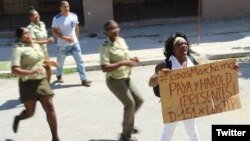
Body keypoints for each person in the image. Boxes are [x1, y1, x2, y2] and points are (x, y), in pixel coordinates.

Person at [148, 32, 200, 141]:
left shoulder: (192, 61)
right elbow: (151, 83)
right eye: (179, 44)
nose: (183, 46)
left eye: (185, 44)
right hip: (172, 105)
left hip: (189, 103)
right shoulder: (166, 64)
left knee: (192, 131)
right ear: (173, 49)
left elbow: (209, 74)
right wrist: (160, 75)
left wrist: (230, 69)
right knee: (168, 133)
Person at [11, 27, 60, 141]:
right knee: (30, 112)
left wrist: (49, 62)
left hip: (41, 80)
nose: (29, 34)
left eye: (30, 32)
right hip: (27, 83)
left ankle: (55, 137)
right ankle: (18, 118)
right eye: (26, 33)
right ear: (20, 37)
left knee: (50, 106)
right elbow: (14, 70)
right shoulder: (18, 50)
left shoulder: (35, 45)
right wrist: (32, 71)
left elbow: (40, 60)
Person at [99, 20, 144, 141]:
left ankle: (127, 123)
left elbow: (125, 56)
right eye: (113, 29)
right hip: (114, 80)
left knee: (139, 100)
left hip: (126, 77)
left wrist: (132, 59)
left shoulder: (121, 40)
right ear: (107, 32)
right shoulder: (105, 46)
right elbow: (104, 68)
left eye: (117, 28)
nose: (116, 31)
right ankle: (125, 135)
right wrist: (124, 62)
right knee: (130, 104)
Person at [51, 0, 92, 86]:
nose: (66, 8)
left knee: (80, 61)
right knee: (60, 62)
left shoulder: (74, 16)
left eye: (68, 6)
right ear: (60, 8)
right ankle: (59, 75)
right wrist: (65, 38)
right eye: (64, 7)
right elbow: (54, 31)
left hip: (74, 44)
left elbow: (76, 28)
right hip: (62, 45)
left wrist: (76, 39)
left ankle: (84, 79)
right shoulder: (57, 18)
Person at [27, 6, 54, 83]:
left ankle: (47, 86)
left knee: (48, 68)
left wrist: (47, 41)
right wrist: (47, 41)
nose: (37, 16)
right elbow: (33, 42)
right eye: (35, 15)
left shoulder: (42, 24)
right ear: (31, 18)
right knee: (39, 70)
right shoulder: (30, 28)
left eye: (38, 14)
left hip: (44, 51)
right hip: (36, 52)